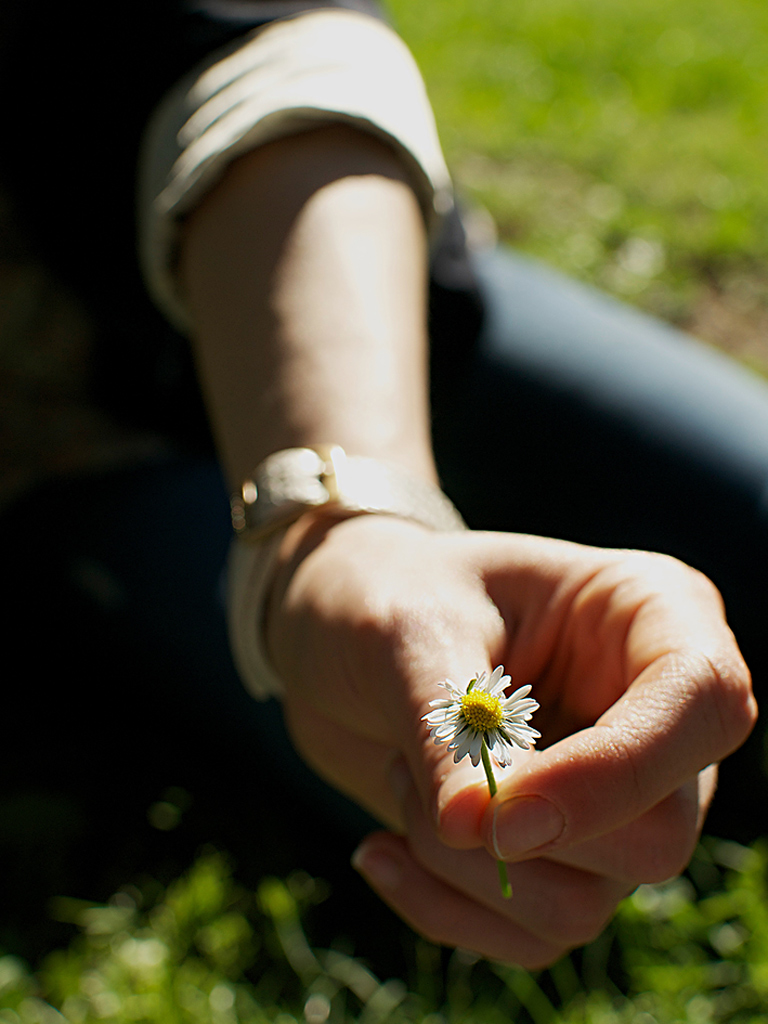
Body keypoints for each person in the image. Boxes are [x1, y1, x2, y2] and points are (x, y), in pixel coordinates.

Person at [1, 0, 761, 967]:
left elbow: (247, 32)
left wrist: (348, 534)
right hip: (62, 436)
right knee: (431, 802)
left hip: (305, 257)